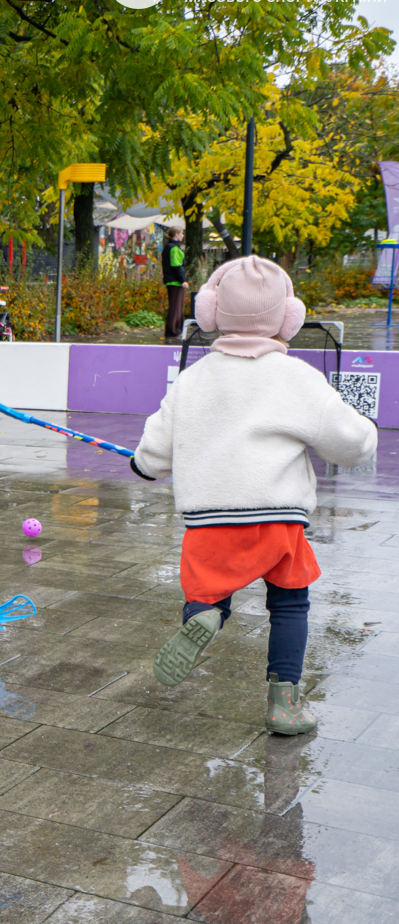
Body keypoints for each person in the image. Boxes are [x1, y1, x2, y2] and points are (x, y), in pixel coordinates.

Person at [131, 257, 376, 734]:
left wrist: (143, 465)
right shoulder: (297, 377)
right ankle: (284, 703)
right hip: (279, 518)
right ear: (289, 317)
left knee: (209, 588)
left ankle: (205, 615)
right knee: (289, 604)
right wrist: (365, 435)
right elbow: (350, 442)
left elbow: (154, 451)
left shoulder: (193, 379)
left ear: (210, 312)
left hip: (209, 519)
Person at [162, 226, 187, 340]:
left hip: (171, 281)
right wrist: (182, 280)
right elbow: (176, 266)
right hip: (175, 281)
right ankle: (173, 330)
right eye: (181, 233)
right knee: (176, 307)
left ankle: (175, 329)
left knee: (176, 306)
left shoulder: (169, 247)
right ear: (176, 234)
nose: (182, 235)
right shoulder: (174, 248)